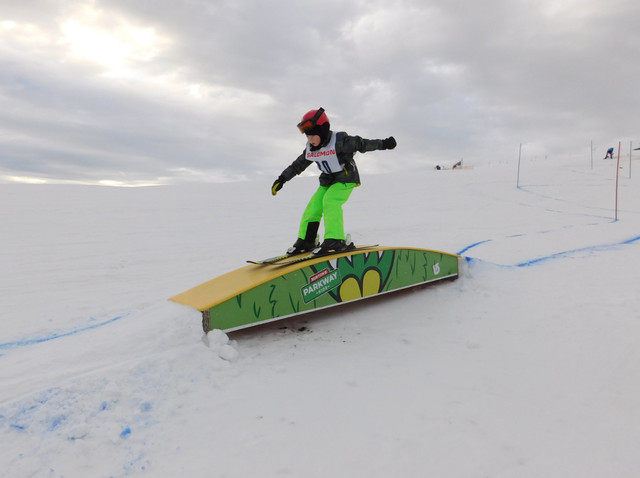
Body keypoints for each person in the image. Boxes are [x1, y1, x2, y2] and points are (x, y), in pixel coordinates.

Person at [271, 107, 396, 256]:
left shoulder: (340, 141)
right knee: (313, 208)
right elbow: (297, 165)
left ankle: (335, 239)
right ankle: (307, 240)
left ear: (323, 131)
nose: (310, 140)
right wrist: (282, 179)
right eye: (307, 136)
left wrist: (384, 144)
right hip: (328, 180)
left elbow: (362, 144)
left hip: (346, 178)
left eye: (313, 135)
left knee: (330, 202)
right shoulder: (311, 149)